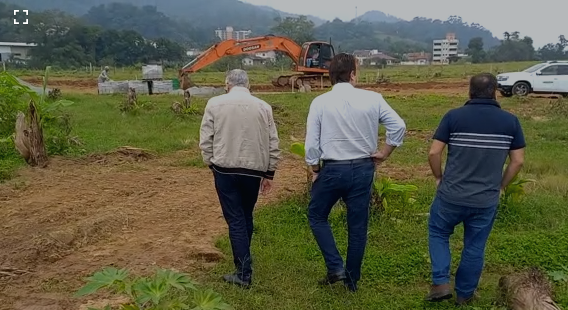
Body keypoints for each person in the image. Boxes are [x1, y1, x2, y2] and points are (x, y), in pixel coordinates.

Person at [304, 53, 406, 292]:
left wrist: (315, 168)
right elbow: (398, 125)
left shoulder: (320, 102)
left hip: (333, 168)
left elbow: (311, 144)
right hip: (362, 168)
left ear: (330, 76)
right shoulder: (373, 98)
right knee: (357, 226)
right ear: (352, 74)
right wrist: (384, 152)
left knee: (317, 216)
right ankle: (352, 281)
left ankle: (335, 266)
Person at [425, 73, 525, 305]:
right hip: (485, 199)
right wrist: (501, 186)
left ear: (469, 91)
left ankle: (440, 282)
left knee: (438, 233)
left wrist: (439, 177)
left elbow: (433, 152)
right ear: (495, 91)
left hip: (450, 195)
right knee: (475, 245)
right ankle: (464, 295)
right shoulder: (510, 122)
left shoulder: (454, 117)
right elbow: (518, 161)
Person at [199, 69, 281, 288]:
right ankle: (243, 258)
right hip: (253, 171)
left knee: (235, 219)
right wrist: (269, 172)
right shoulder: (264, 107)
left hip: (225, 169)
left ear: (227, 84)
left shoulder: (214, 104)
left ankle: (244, 273)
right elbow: (273, 141)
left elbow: (206, 139)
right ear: (248, 84)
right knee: (245, 215)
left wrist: (210, 163)